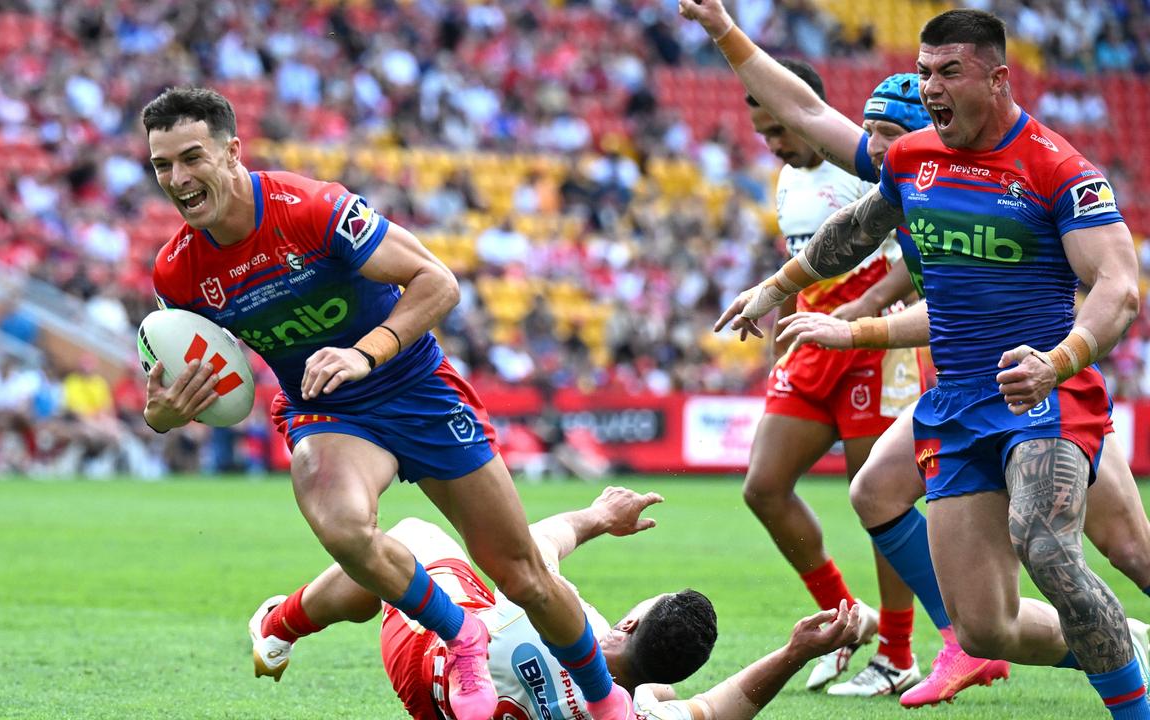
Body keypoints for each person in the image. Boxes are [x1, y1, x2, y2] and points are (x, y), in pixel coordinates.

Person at [679, 0, 1150, 705]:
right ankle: (1122, 641)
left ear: (997, 79)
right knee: (985, 626)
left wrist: (1057, 359)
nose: (931, 86)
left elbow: (1119, 286)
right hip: (954, 397)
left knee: (1063, 548)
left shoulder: (1058, 168)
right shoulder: (907, 161)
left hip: (1040, 390)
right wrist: (780, 288)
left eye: (947, 71)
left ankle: (1118, 682)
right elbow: (853, 222)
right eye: (924, 71)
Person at [139, 87, 635, 720]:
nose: (177, 179)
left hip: (414, 387)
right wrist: (166, 414)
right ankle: (462, 637)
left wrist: (363, 353)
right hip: (326, 410)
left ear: (232, 151)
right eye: (161, 165)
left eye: (191, 157)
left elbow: (438, 282)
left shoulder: (313, 208)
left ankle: (608, 702)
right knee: (346, 528)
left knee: (522, 576)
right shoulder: (176, 273)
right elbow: (178, 382)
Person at [258, 484, 863, 720]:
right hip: (460, 709)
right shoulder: (634, 714)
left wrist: (599, 517)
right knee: (657, 699)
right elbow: (720, 708)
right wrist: (793, 652)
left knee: (404, 542)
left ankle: (279, 625)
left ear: (630, 620)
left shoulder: (559, 614)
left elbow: (537, 545)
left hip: (431, 672)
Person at [694, 55, 908, 693]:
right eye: (762, 134)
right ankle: (849, 618)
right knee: (764, 486)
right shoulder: (787, 181)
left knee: (880, 500)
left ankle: (898, 653)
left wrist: (865, 306)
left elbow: (911, 252)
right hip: (813, 339)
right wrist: (779, 318)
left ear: (802, 111)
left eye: (779, 129)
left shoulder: (861, 168)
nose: (774, 143)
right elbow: (804, 259)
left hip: (873, 342)